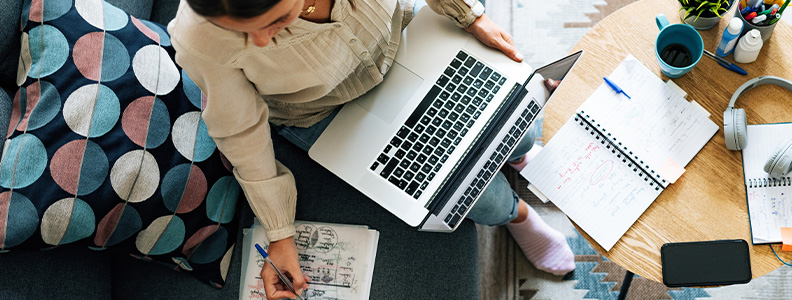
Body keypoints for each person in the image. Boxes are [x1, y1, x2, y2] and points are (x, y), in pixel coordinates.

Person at [168, 0, 575, 298]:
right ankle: (516, 215)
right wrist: (280, 231)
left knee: (517, 118)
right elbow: (240, 131)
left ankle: (518, 156)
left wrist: (470, 15)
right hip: (322, 114)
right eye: (236, 29)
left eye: (274, 20)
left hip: (404, 44)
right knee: (478, 197)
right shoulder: (199, 38)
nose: (255, 43)